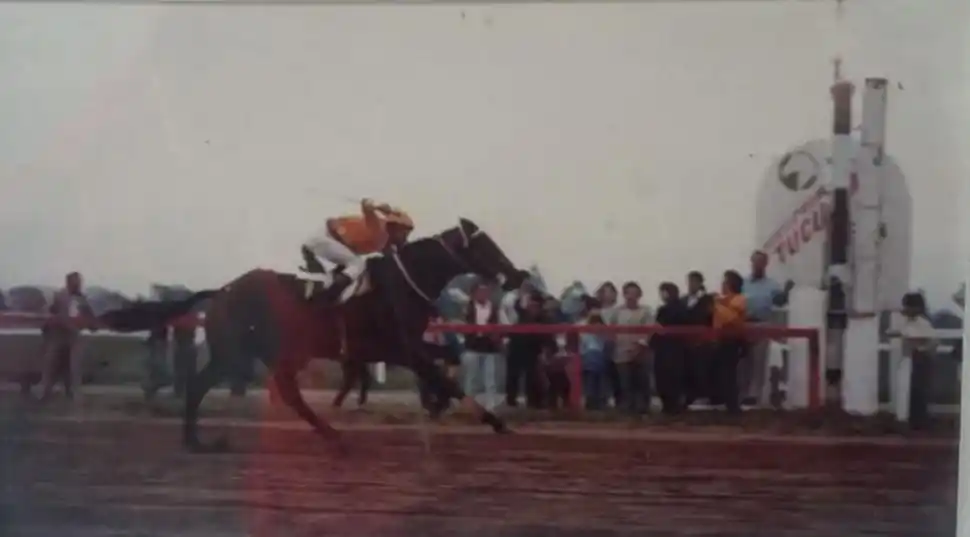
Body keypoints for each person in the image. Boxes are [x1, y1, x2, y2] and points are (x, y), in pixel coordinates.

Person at [301, 197, 414, 303]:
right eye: (404, 232)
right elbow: (367, 208)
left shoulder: (388, 240)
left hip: (334, 242)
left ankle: (332, 285)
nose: (405, 236)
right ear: (394, 227)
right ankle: (331, 294)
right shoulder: (378, 227)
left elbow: (398, 257)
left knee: (356, 265)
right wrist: (373, 206)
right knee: (357, 263)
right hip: (325, 238)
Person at [740, 250, 792, 406]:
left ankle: (754, 395)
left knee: (759, 361)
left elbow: (779, 302)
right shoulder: (743, 283)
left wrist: (787, 291)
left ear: (765, 264)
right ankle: (741, 394)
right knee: (743, 362)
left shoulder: (772, 285)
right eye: (755, 262)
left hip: (762, 324)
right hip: (743, 324)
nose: (757, 265)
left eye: (760, 262)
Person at [39, 272, 96, 404]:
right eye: (75, 282)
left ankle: (73, 393)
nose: (78, 284)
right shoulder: (59, 296)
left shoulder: (82, 299)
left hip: (73, 335)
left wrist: (90, 324)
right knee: (51, 364)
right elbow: (50, 313)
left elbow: (89, 316)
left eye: (79, 282)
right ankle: (46, 392)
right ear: (69, 283)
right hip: (58, 335)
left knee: (74, 366)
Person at [505, 291, 555, 408]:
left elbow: (549, 337)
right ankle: (511, 401)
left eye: (535, 305)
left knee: (532, 376)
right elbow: (513, 306)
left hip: (533, 350)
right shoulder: (521, 314)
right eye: (530, 304)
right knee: (512, 375)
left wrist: (546, 351)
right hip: (516, 348)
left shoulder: (546, 319)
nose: (532, 307)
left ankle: (533, 402)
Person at [610, 281, 653, 415]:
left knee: (642, 382)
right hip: (621, 352)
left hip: (640, 352)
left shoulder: (645, 311)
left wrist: (639, 346)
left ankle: (643, 409)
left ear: (639, 295)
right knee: (624, 383)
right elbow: (611, 329)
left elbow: (649, 331)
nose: (631, 296)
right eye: (628, 293)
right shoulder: (617, 312)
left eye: (634, 293)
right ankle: (625, 409)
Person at [461, 280, 503, 410]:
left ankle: (491, 407)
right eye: (481, 291)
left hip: (490, 346)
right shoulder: (467, 307)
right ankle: (470, 406)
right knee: (472, 378)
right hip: (473, 345)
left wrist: (496, 334)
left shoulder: (495, 308)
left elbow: (502, 324)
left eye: (486, 291)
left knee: (490, 379)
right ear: (474, 293)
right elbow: (462, 324)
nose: (484, 294)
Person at [711, 270, 747, 414]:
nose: (722, 284)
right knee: (721, 374)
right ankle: (723, 402)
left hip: (732, 340)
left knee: (730, 374)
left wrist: (717, 305)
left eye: (725, 281)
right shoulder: (721, 300)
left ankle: (733, 406)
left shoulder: (740, 299)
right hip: (719, 340)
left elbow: (731, 318)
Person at [651, 282, 690, 415]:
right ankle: (672, 406)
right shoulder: (682, 308)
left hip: (669, 348)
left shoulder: (668, 310)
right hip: (673, 349)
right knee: (670, 379)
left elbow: (658, 328)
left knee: (667, 378)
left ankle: (670, 407)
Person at [682, 271, 714, 405]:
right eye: (689, 282)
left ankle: (704, 395)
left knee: (701, 369)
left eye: (694, 282)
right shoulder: (683, 300)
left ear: (700, 283)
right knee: (687, 369)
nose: (691, 285)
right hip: (685, 340)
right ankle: (688, 396)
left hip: (702, 340)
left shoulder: (707, 300)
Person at [594, 282, 621, 406]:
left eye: (611, 291)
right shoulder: (595, 312)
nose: (608, 294)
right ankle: (601, 400)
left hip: (616, 344)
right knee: (601, 374)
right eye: (605, 291)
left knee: (617, 374)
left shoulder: (619, 310)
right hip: (598, 345)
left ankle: (619, 400)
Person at [579, 311, 609, 410]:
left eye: (598, 323)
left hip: (601, 363)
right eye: (593, 323)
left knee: (601, 384)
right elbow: (582, 349)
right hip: (589, 364)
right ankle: (590, 404)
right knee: (590, 384)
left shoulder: (604, 336)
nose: (596, 326)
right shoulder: (585, 335)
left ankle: (601, 403)